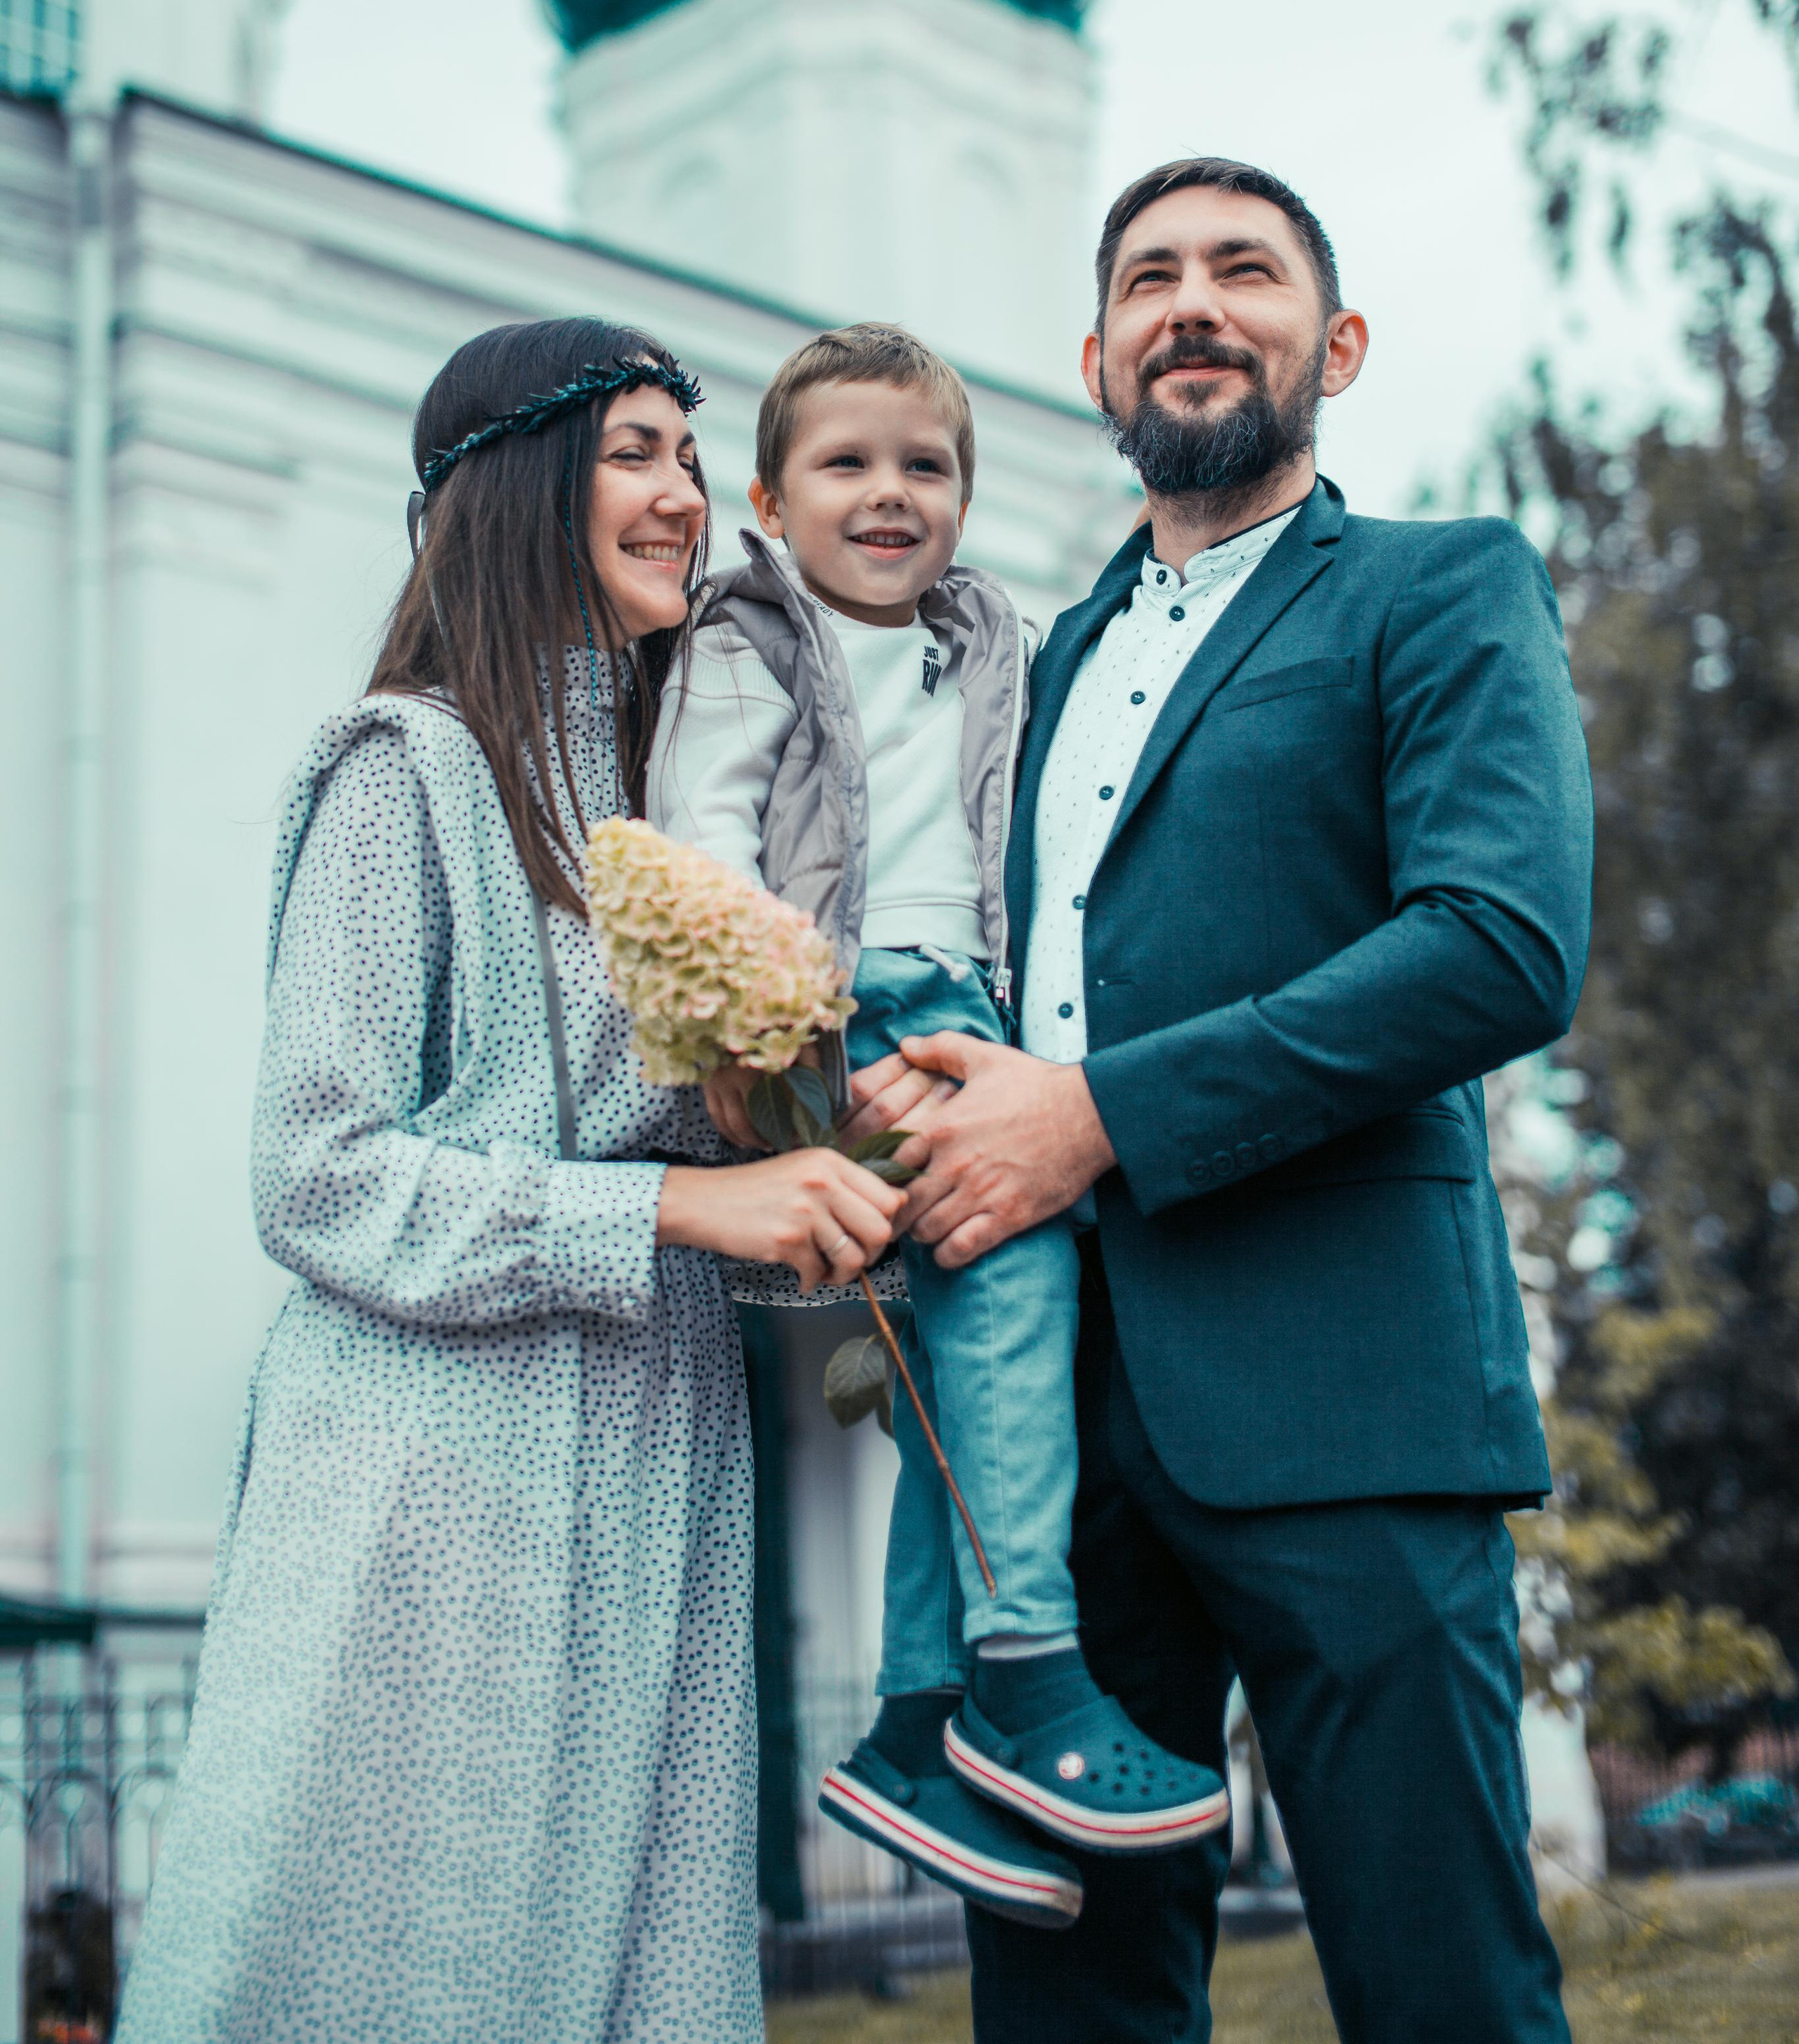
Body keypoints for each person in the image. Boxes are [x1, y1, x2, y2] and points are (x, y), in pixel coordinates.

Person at [847, 160, 1594, 2044]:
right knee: (1070, 2008)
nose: (1195, 302)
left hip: (1355, 1406)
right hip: (1053, 1461)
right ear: (1096, 364)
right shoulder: (1019, 663)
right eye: (1151, 279)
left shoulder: (1445, 590)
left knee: (1448, 1996)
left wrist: (1094, 1115)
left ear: (1331, 344)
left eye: (1243, 271)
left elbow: (1497, 945)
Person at [115, 318, 904, 2044]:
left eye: (689, 461)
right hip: (431, 1499)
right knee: (411, 1978)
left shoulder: (686, 807)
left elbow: (726, 1175)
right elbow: (313, 1176)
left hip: (660, 1474)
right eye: (635, 452)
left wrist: (844, 1160)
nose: (683, 497)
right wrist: (681, 1209)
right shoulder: (404, 771)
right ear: (517, 485)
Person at [648, 323, 1230, 1934]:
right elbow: (701, 840)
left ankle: (913, 1730)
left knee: (957, 1386)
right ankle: (1026, 1670)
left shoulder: (997, 645)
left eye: (926, 466)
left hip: (974, 1015)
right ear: (770, 498)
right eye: (847, 464)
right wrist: (776, 1041)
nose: (889, 493)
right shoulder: (746, 642)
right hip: (833, 1012)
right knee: (1015, 1301)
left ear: (964, 499)